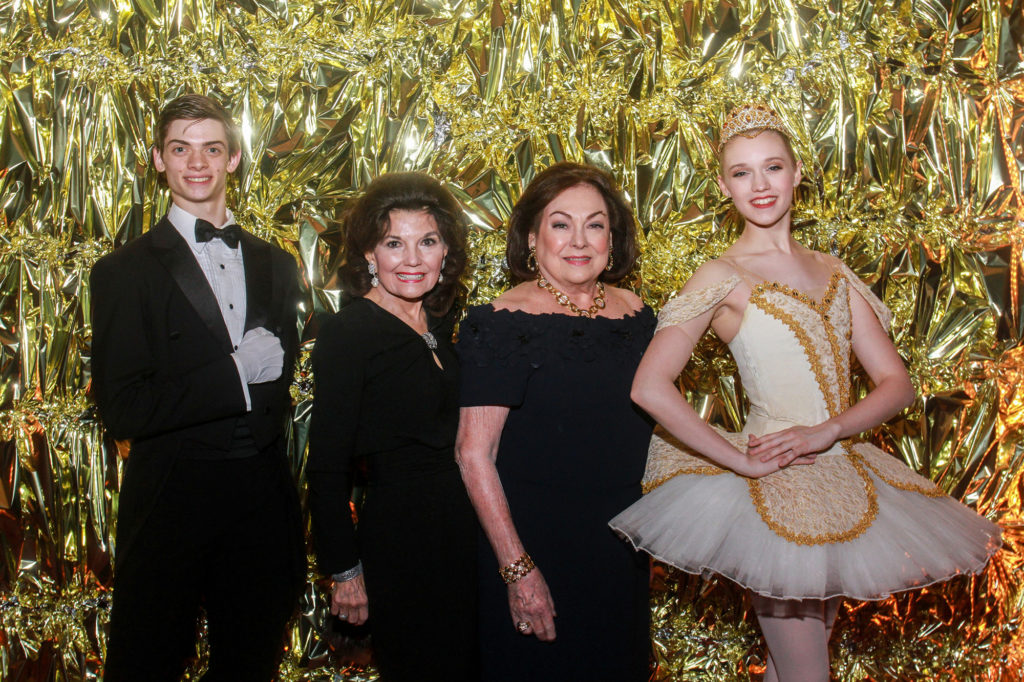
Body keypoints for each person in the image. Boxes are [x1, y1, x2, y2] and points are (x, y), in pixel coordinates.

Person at [609, 103, 1002, 682]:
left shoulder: (834, 270)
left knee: (788, 669)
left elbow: (897, 383)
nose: (760, 185)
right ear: (724, 186)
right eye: (742, 172)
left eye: (772, 167)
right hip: (775, 490)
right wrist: (740, 461)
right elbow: (649, 386)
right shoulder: (721, 275)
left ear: (797, 173)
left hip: (842, 480)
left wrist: (829, 430)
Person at [90, 94, 304, 680]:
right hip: (172, 497)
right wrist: (234, 373)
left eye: (212, 148)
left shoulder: (277, 263)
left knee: (250, 662)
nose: (196, 163)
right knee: (145, 663)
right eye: (180, 149)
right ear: (159, 159)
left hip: (260, 498)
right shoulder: (123, 270)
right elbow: (124, 408)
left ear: (233, 158)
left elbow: (278, 386)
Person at [456, 162, 654, 681]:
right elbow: (473, 455)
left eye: (595, 225)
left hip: (621, 548)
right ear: (531, 236)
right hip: (533, 546)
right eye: (561, 224)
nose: (579, 241)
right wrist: (517, 570)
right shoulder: (500, 322)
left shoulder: (638, 316)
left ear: (612, 237)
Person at [306, 172, 477, 681]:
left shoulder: (443, 326)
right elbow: (326, 467)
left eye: (428, 241)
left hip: (466, 535)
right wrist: (345, 571)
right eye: (394, 243)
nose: (412, 259)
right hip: (402, 540)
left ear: (446, 252)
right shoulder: (348, 333)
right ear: (369, 254)